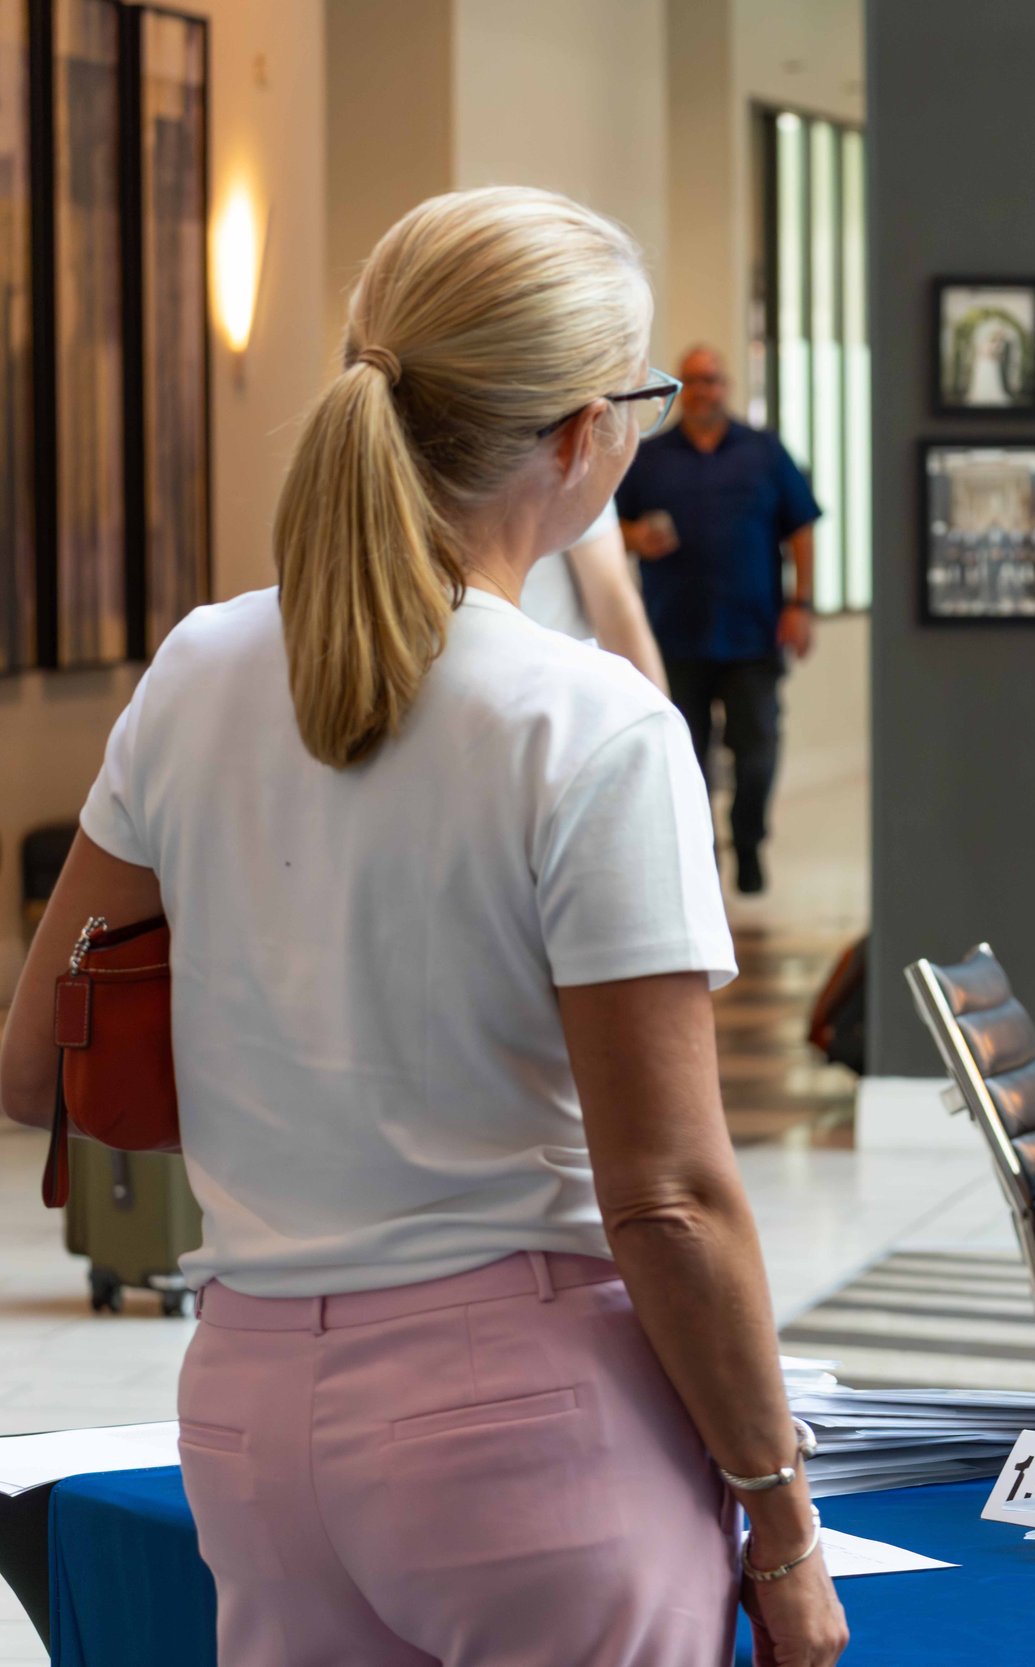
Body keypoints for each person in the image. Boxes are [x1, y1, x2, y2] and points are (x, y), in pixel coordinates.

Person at [0, 188, 844, 1667]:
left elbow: (33, 1063)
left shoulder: (199, 666)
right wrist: (781, 1519)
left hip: (253, 1407)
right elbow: (670, 1198)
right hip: (526, 1416)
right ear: (584, 432)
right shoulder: (588, 726)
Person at [618, 346, 822, 896]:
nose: (704, 390)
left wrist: (801, 605)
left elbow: (801, 527)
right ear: (681, 390)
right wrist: (635, 538)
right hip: (674, 635)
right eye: (693, 382)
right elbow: (608, 529)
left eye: (712, 380)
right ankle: (701, 857)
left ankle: (749, 842)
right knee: (687, 759)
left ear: (726, 385)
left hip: (754, 633)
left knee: (756, 755)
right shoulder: (650, 457)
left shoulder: (763, 452)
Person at [520, 499, 668, 687]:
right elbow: (613, 604)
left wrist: (657, 707)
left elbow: (613, 604)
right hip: (550, 685)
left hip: (557, 684)